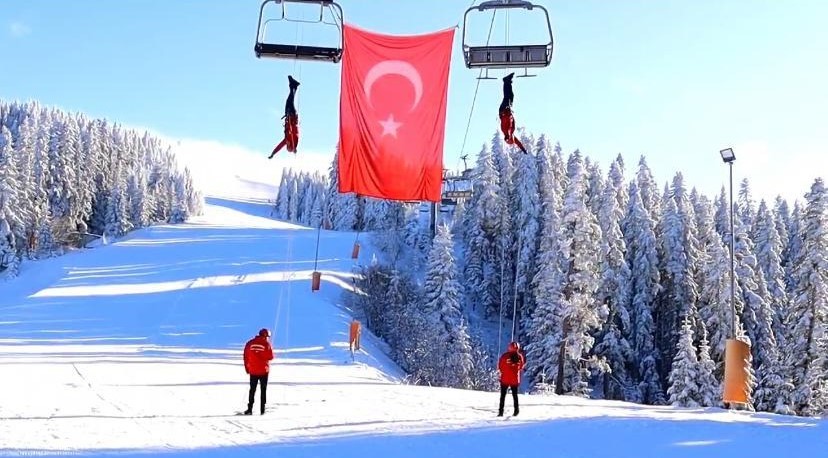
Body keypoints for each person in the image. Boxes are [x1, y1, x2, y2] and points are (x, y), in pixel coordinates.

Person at [243, 328, 274, 415]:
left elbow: (245, 356)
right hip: (264, 371)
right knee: (263, 390)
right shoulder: (266, 344)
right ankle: (262, 410)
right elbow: (271, 357)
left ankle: (249, 408)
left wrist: (247, 368)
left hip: (253, 371)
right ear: (265, 336)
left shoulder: (250, 343)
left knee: (252, 390)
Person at [268, 75, 301, 158]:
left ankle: (294, 85)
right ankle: (293, 85)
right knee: (290, 100)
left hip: (288, 115)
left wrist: (273, 153)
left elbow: (279, 146)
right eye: (289, 146)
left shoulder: (286, 140)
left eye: (287, 146)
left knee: (289, 100)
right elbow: (295, 130)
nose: (287, 144)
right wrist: (294, 149)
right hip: (292, 116)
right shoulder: (294, 139)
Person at [498, 72, 527, 154]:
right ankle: (508, 81)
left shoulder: (505, 131)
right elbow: (517, 143)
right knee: (511, 96)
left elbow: (504, 121)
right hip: (508, 111)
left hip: (504, 110)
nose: (513, 137)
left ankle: (506, 81)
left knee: (507, 96)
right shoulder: (512, 134)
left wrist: (506, 112)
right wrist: (523, 149)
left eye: (511, 138)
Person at [497, 341, 525, 417]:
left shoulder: (505, 356)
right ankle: (516, 410)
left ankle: (501, 412)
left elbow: (500, 366)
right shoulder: (520, 357)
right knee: (515, 396)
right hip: (515, 379)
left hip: (505, 379)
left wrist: (504, 371)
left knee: (502, 396)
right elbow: (521, 367)